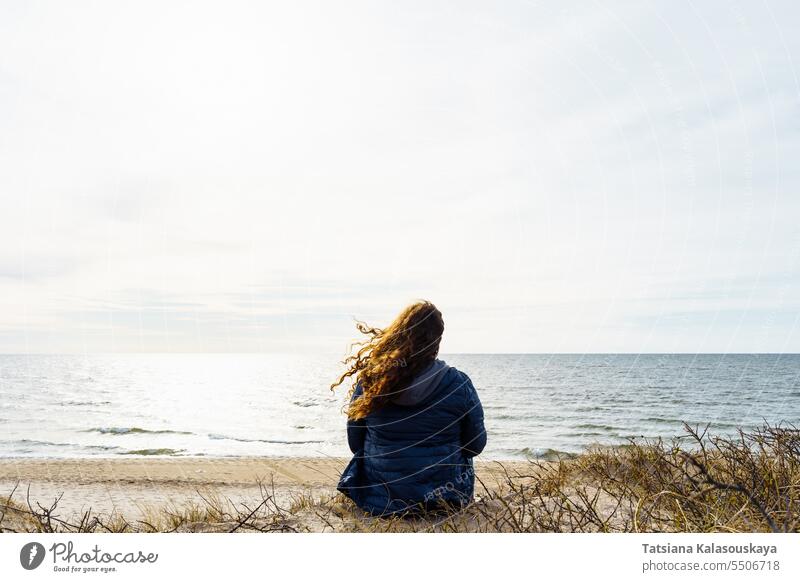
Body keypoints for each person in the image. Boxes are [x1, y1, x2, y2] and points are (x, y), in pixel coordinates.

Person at [330, 300, 486, 516]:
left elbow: (355, 443)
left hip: (380, 503)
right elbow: (475, 445)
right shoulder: (458, 384)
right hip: (445, 503)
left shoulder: (372, 382)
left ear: (399, 332)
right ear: (437, 340)